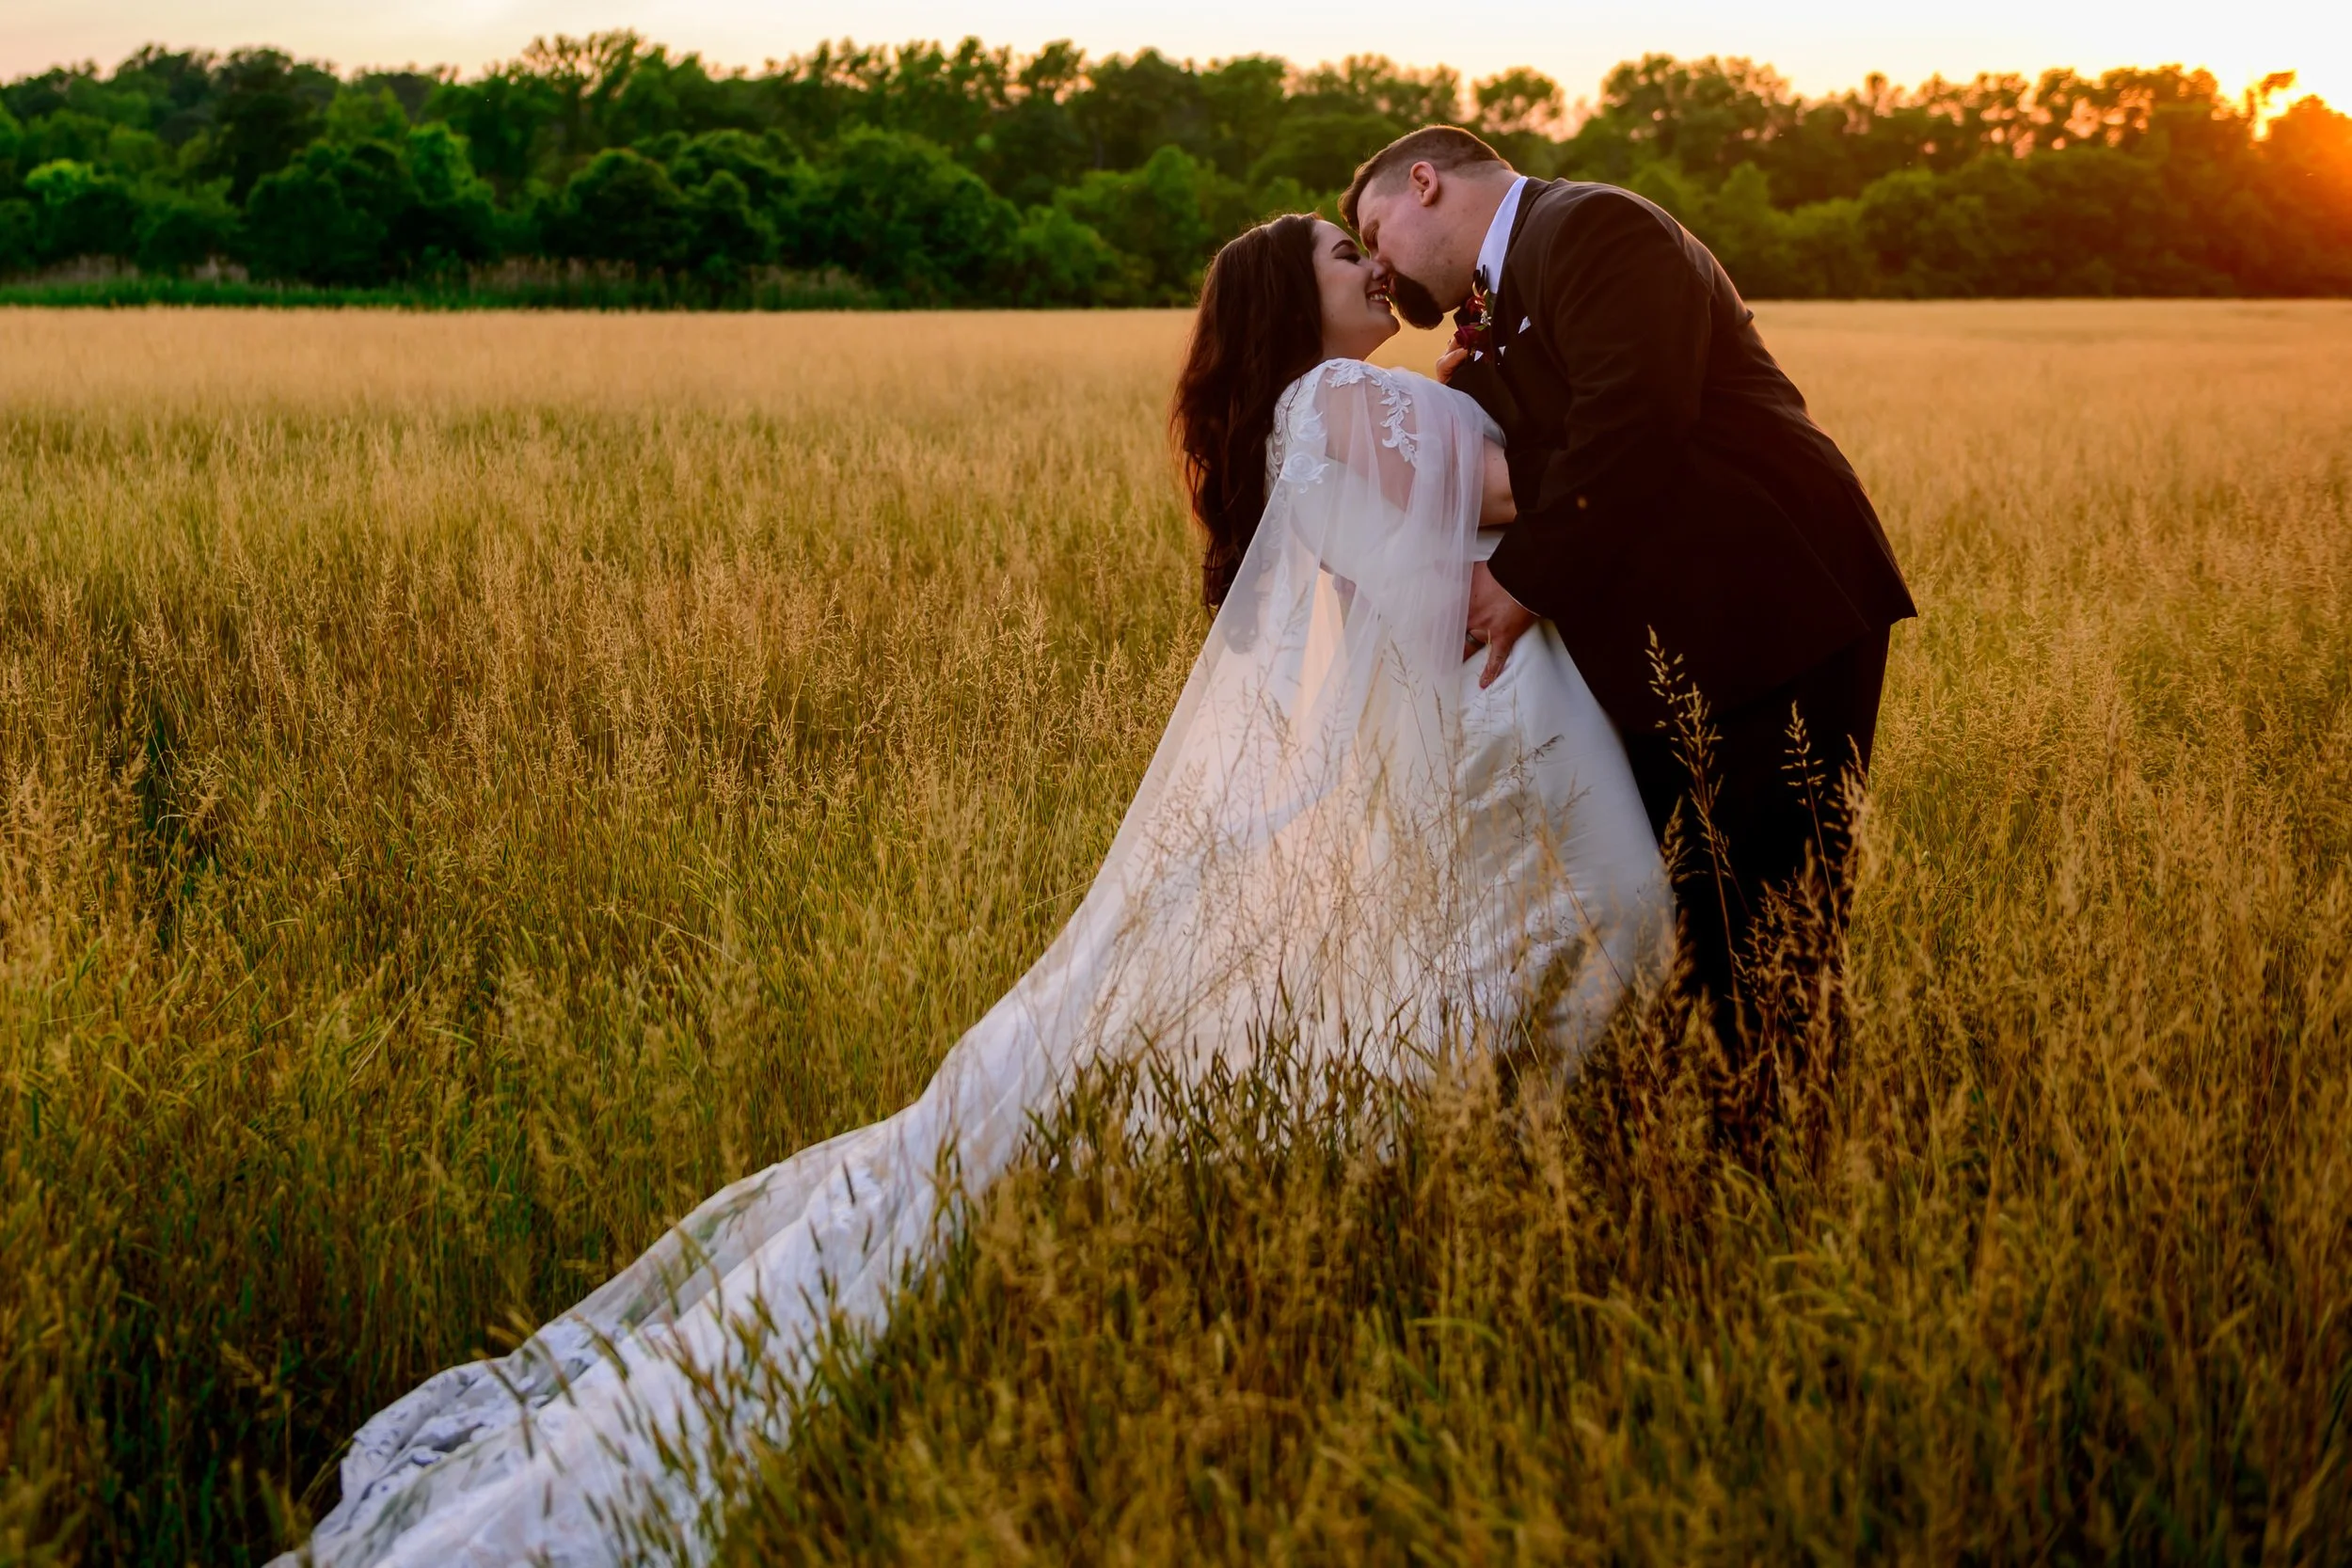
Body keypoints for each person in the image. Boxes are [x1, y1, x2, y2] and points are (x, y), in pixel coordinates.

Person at [275, 214, 1671, 1567]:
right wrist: (1636, 394)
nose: (1368, 264)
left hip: (1482, 732)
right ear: (1281, 301)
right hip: (1498, 724)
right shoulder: (1337, 404)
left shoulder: (1326, 414)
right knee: (1579, 942)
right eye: (1337, 250)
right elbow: (1524, 494)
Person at [1343, 126, 1917, 1070]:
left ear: (1424, 183)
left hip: (1774, 604)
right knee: (1685, 905)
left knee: (1776, 909)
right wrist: (1480, 386)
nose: (1380, 265)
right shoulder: (1521, 274)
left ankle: (1783, 1151)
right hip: (1677, 635)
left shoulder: (1592, 226)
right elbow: (1570, 430)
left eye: (1375, 230)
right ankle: (1695, 1127)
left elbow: (1634, 420)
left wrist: (1517, 579)